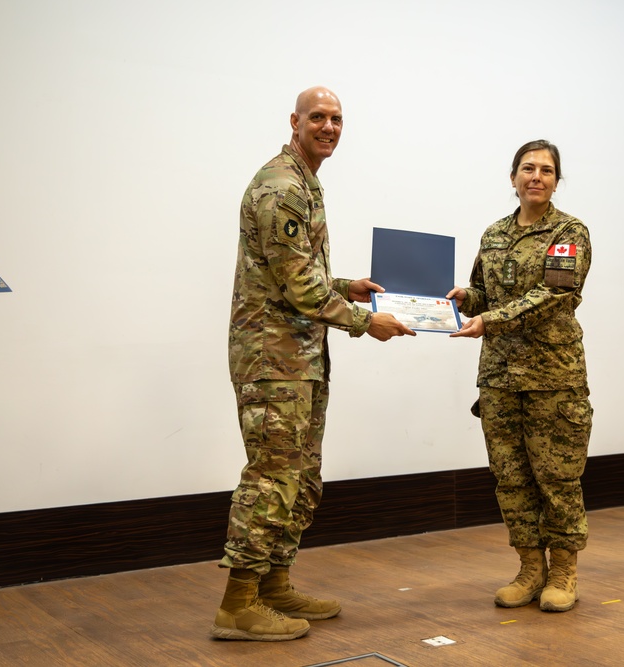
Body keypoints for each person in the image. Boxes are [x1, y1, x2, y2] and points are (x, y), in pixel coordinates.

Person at [212, 87, 416, 642]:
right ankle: (237, 604)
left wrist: (346, 285)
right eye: (318, 118)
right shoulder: (281, 187)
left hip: (298, 357)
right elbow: (298, 286)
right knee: (273, 477)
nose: (329, 127)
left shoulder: (303, 180)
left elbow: (298, 272)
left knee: (300, 477)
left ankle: (273, 586)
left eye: (337, 119)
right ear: (295, 122)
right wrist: (361, 318)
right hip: (272, 359)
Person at [448, 140, 593, 613]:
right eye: (528, 168)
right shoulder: (493, 234)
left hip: (554, 377)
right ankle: (531, 568)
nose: (537, 176)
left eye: (547, 170)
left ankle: (564, 571)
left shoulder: (570, 231)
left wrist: (490, 319)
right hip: (499, 378)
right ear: (512, 178)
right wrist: (461, 300)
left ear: (556, 180)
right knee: (510, 478)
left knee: (557, 477)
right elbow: (484, 292)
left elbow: (555, 295)